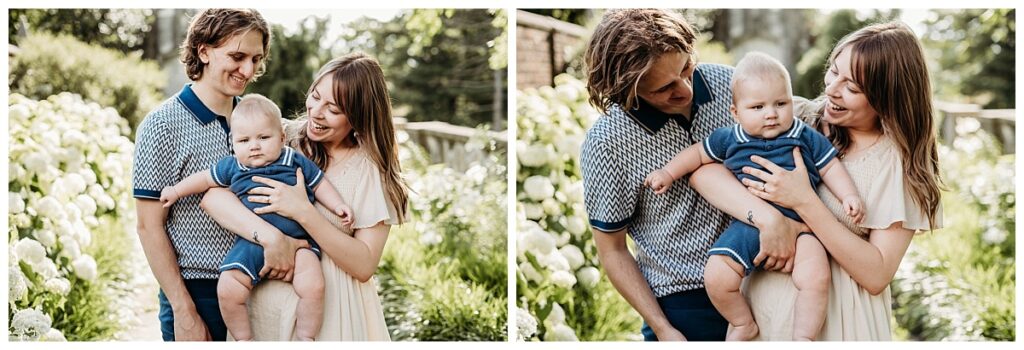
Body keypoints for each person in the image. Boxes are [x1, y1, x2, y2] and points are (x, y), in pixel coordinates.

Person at [578, 9, 806, 341]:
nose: (685, 90)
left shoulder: (730, 84)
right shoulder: (606, 143)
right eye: (664, 88)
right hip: (685, 306)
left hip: (769, 282)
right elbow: (612, 249)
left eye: (686, 68)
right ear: (627, 88)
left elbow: (793, 124)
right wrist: (663, 328)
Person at [725, 22, 944, 340]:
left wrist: (804, 202)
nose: (832, 89)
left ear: (886, 97)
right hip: (762, 317)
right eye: (833, 71)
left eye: (852, 88)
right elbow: (704, 171)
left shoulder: (896, 164)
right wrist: (767, 218)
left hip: (840, 325)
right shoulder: (793, 118)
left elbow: (876, 273)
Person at [643, 52, 864, 341]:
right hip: (749, 225)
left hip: (803, 225)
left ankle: (804, 337)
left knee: (816, 276)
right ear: (736, 112)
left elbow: (830, 165)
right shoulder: (731, 138)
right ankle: (743, 322)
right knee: (717, 275)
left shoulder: (802, 134)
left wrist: (849, 195)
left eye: (781, 103)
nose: (771, 113)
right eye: (757, 107)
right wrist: (668, 173)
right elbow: (697, 154)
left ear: (790, 101)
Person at [200, 52, 407, 340]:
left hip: (333, 318)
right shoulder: (280, 139)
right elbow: (213, 197)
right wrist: (271, 239)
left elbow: (364, 265)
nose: (316, 111)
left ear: (358, 116)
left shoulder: (370, 170)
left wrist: (304, 212)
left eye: (333, 109)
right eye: (315, 96)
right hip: (264, 315)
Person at [158, 94, 354, 341]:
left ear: (282, 138)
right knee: (228, 288)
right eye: (244, 140)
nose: (254, 146)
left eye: (263, 137)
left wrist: (338, 205)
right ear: (233, 143)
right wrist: (176, 191)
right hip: (250, 244)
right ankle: (243, 339)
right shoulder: (233, 166)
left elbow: (319, 184)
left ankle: (306, 337)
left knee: (314, 285)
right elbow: (205, 179)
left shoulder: (292, 160)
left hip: (299, 242)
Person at [132, 8, 270, 341]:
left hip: (265, 289)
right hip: (199, 293)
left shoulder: (258, 121)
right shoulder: (161, 126)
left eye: (256, 59)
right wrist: (184, 311)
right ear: (203, 50)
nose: (248, 70)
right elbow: (149, 226)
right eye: (237, 56)